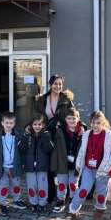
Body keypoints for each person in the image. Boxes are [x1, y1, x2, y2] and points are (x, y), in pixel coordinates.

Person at [68, 110, 111, 220]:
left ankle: (99, 210)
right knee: (83, 189)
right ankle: (73, 209)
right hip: (88, 168)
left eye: (98, 123)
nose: (95, 125)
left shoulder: (110, 136)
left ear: (103, 123)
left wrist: (108, 168)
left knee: (101, 192)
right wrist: (78, 165)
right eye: (93, 123)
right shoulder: (86, 135)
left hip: (102, 169)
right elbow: (82, 152)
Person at [34, 74, 75, 204]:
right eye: (55, 83)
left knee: (61, 165)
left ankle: (64, 194)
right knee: (48, 165)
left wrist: (79, 127)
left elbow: (73, 115)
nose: (58, 86)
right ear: (50, 84)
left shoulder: (66, 99)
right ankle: (50, 194)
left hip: (60, 135)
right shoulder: (42, 99)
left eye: (60, 84)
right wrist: (30, 127)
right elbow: (36, 116)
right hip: (46, 135)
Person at [50, 108, 85, 213]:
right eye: (69, 118)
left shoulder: (82, 132)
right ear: (65, 119)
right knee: (61, 184)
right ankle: (60, 200)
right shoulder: (60, 131)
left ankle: (73, 200)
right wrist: (54, 166)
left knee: (73, 184)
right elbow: (55, 149)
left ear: (78, 119)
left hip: (75, 164)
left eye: (74, 118)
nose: (71, 121)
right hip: (62, 163)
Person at [18, 114, 54, 213]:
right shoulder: (27, 135)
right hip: (30, 167)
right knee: (31, 186)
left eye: (39, 124)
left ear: (43, 125)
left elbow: (49, 149)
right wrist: (25, 136)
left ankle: (42, 204)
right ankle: (33, 203)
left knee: (42, 186)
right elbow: (21, 148)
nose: (37, 126)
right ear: (31, 125)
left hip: (42, 167)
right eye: (35, 124)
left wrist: (46, 137)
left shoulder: (46, 135)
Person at [0, 111, 26, 216]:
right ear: (2, 123)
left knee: (16, 185)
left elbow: (22, 151)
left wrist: (22, 163)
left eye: (11, 123)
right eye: (6, 123)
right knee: (3, 186)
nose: (8, 125)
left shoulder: (18, 135)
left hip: (14, 166)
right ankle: (2, 204)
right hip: (3, 167)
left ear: (14, 123)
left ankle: (16, 200)